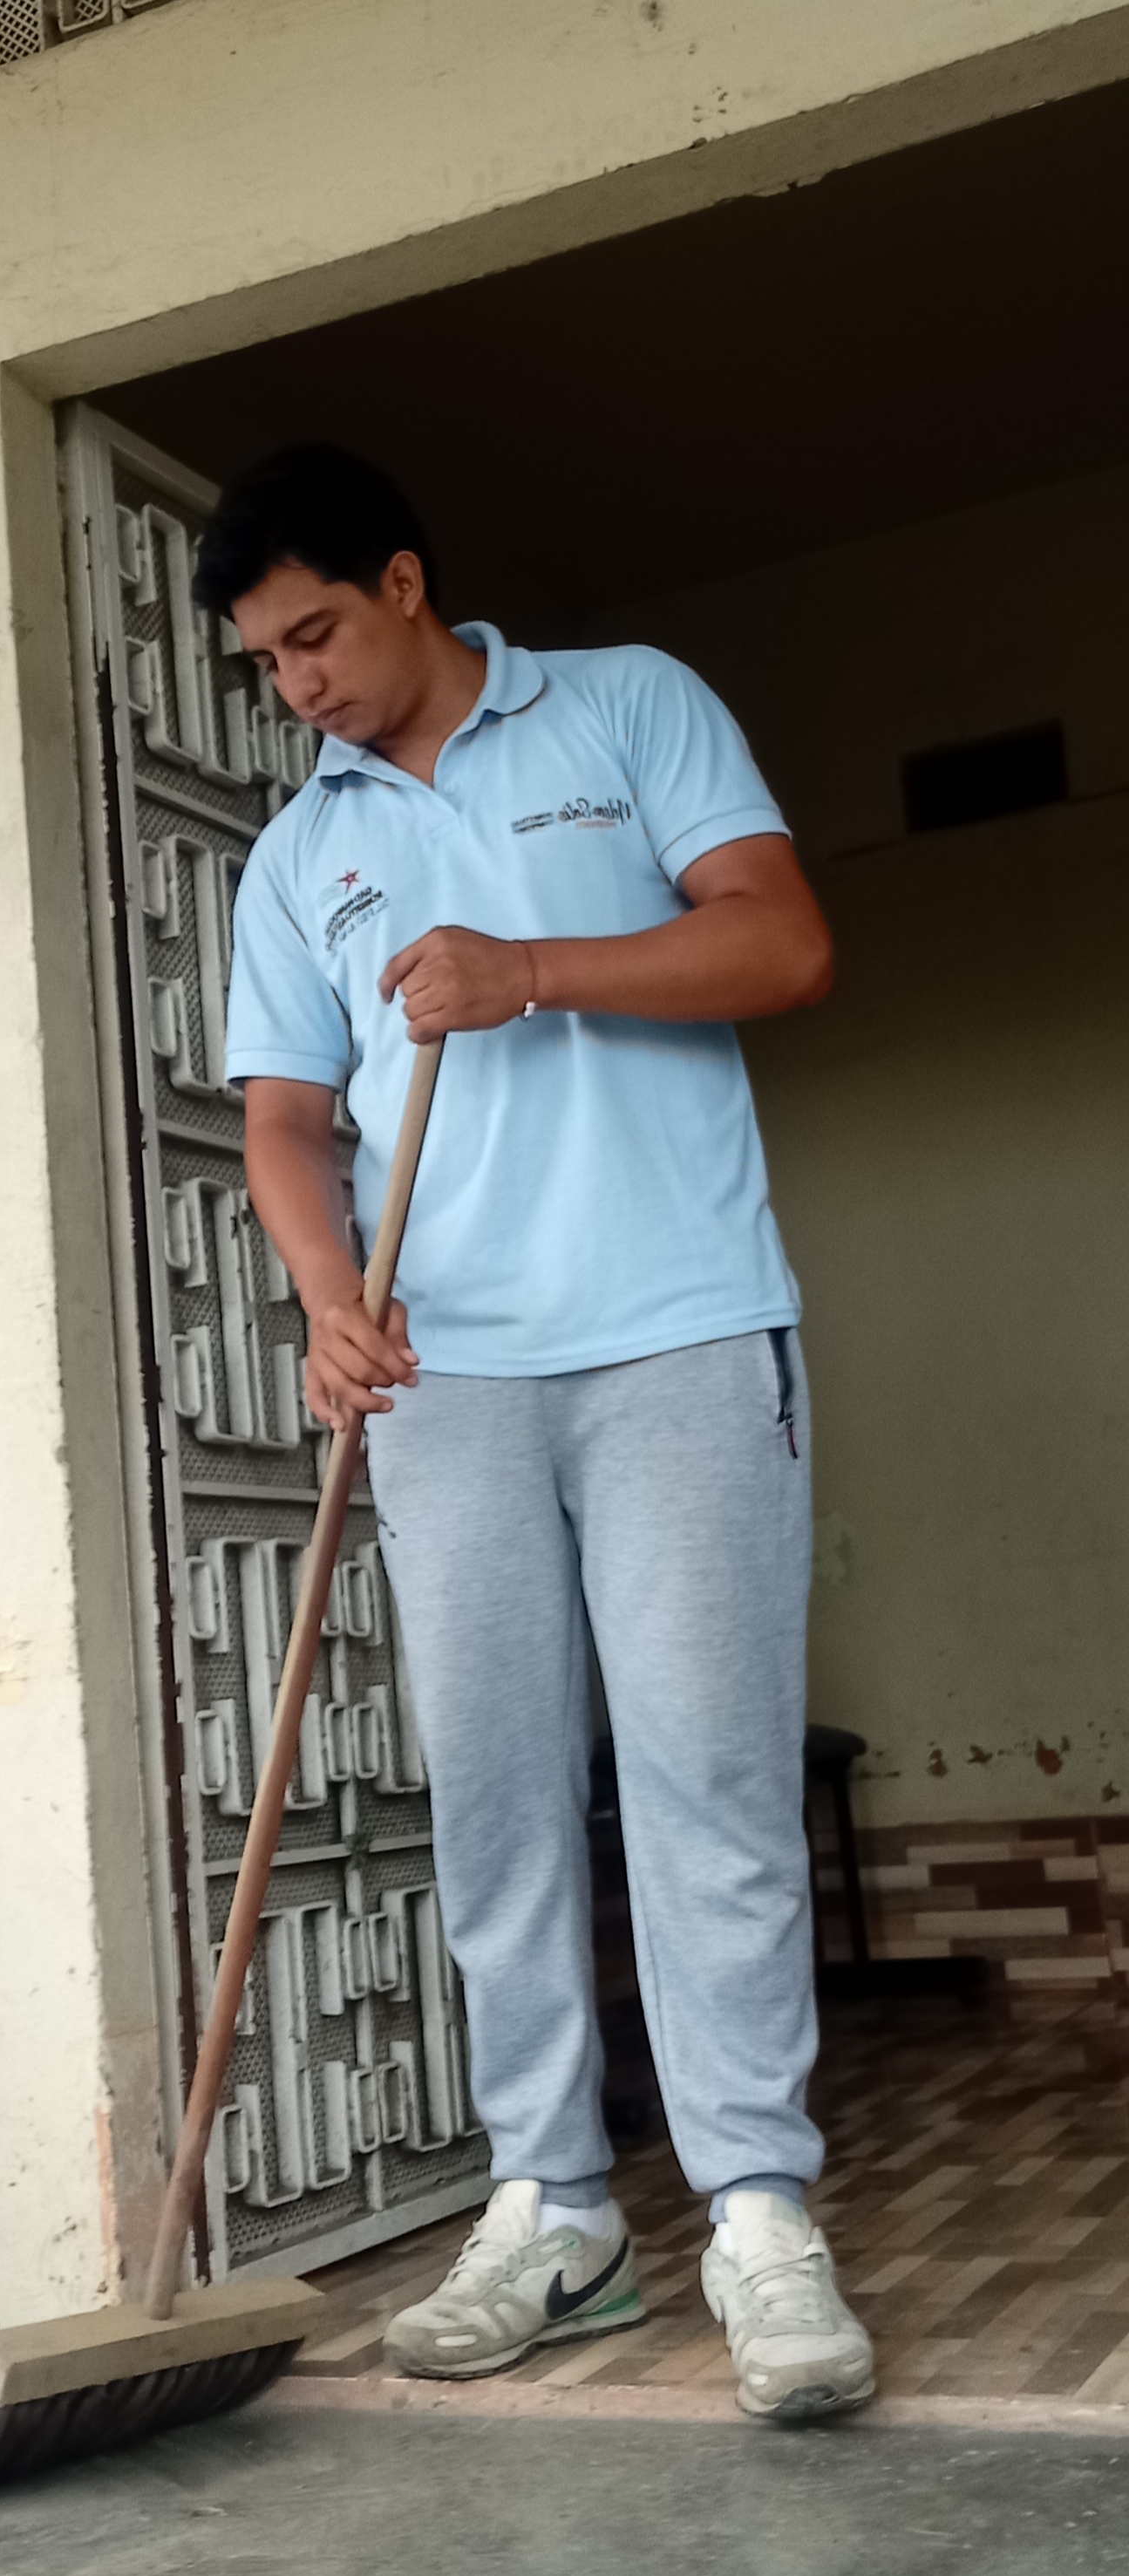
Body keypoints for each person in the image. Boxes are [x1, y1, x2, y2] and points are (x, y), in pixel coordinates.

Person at [195, 445, 874, 2423]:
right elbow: (284, 1117)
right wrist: (326, 1293)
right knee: (494, 1795)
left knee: (705, 1780)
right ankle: (555, 2209)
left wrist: (530, 972)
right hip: (447, 1374)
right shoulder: (296, 851)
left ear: (406, 583)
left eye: (317, 633)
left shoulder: (629, 705)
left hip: (678, 1330)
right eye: (265, 661)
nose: (299, 685)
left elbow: (781, 942)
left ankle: (757, 2211)